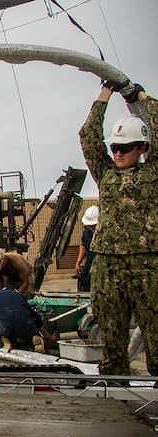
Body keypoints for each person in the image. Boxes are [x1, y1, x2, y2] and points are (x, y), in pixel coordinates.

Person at [79, 80, 157, 377]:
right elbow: (88, 136)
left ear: (142, 148)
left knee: (156, 335)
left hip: (148, 264)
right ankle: (114, 391)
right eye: (114, 148)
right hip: (109, 264)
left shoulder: (153, 171)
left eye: (125, 148)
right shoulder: (106, 173)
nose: (117, 153)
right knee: (111, 334)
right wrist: (104, 94)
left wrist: (140, 97)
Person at [0, 286, 45, 353]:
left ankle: (5, 338)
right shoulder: (20, 296)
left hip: (7, 327)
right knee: (25, 317)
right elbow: (32, 313)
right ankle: (33, 336)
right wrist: (40, 328)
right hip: (27, 325)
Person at [74, 205, 98, 292]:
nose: (91, 227)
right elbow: (84, 246)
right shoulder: (87, 231)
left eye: (93, 225)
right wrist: (78, 263)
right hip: (89, 265)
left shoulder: (104, 233)